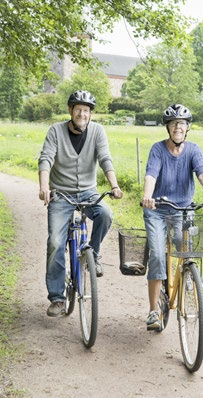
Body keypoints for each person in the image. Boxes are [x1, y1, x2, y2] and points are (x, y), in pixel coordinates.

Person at [141, 104, 203, 330]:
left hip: (182, 209)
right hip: (158, 210)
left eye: (181, 124)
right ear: (168, 128)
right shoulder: (158, 150)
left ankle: (190, 276)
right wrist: (148, 196)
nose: (177, 127)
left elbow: (202, 175)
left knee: (187, 246)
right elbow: (151, 174)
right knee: (159, 256)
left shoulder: (193, 150)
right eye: (173, 124)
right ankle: (153, 311)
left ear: (187, 128)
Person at [38, 90, 123, 317]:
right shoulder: (56, 131)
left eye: (86, 111)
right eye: (78, 110)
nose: (82, 114)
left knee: (105, 214)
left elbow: (105, 158)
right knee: (56, 242)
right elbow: (46, 158)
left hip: (88, 193)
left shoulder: (97, 131)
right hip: (61, 195)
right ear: (71, 111)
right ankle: (57, 297)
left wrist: (114, 185)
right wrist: (44, 187)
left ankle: (92, 254)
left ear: (91, 114)